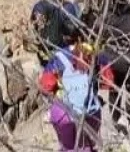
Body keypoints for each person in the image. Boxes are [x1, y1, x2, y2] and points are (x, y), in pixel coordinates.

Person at [38, 24, 112, 152]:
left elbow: (46, 86)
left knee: (68, 147)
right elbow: (109, 81)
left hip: (64, 113)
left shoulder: (59, 57)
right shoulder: (96, 54)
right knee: (87, 146)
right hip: (90, 110)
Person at [31, 0, 79, 67]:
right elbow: (73, 31)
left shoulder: (38, 7)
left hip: (44, 53)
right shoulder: (68, 7)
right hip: (64, 53)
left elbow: (34, 29)